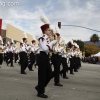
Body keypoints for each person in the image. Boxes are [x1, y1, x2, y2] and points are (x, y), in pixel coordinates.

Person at [35, 15, 58, 98]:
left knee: (49, 74)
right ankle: (40, 92)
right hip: (42, 56)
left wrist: (54, 42)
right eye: (49, 30)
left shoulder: (47, 39)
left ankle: (39, 87)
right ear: (45, 31)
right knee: (42, 75)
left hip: (45, 56)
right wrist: (52, 43)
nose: (50, 31)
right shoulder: (42, 38)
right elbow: (45, 48)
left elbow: (48, 48)